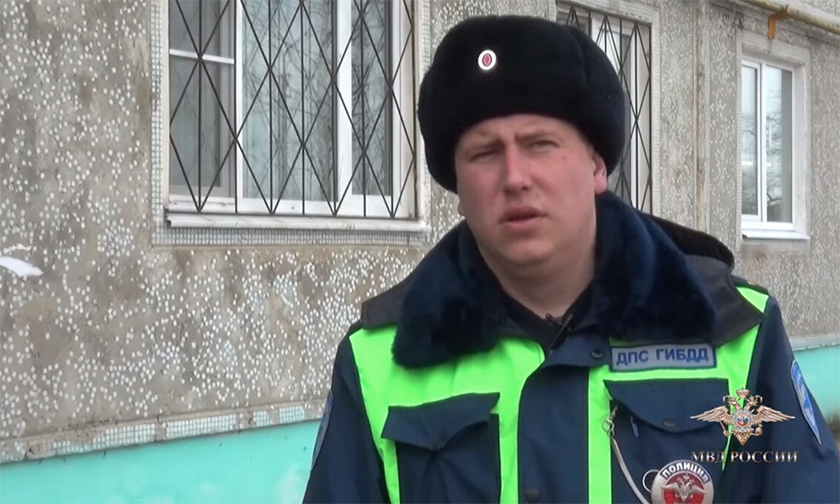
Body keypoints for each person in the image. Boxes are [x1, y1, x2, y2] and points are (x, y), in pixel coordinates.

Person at [303, 14, 840, 504]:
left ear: (596, 167)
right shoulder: (379, 361)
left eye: (540, 144)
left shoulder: (734, 333)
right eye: (485, 153)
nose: (515, 177)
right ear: (458, 189)